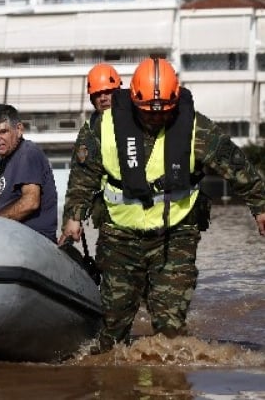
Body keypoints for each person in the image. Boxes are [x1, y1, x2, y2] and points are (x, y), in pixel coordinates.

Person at [59, 57, 265, 354]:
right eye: (148, 113)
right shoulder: (100, 128)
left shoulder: (195, 127)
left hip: (175, 234)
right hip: (120, 236)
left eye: (165, 112)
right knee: (113, 327)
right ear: (133, 100)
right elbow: (83, 176)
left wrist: (259, 206)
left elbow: (236, 165)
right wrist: (74, 216)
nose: (156, 118)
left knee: (171, 332)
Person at [0, 104, 58, 242]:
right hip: (11, 244)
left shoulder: (27, 153)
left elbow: (30, 202)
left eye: (3, 131)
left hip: (30, 246)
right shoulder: (8, 162)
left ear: (19, 129)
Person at [77, 63, 123, 230]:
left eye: (107, 92)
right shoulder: (89, 131)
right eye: (97, 94)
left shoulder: (140, 119)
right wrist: (74, 218)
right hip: (110, 218)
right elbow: (81, 179)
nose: (103, 98)